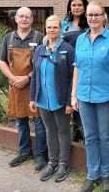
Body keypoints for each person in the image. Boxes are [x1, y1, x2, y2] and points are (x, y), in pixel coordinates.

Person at [71, 1, 109, 192]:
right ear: (86, 17)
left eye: (97, 14)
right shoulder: (81, 40)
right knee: (90, 137)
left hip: (105, 98)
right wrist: (73, 95)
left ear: (103, 16)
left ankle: (105, 175)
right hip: (84, 96)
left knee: (105, 137)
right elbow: (77, 67)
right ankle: (91, 174)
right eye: (90, 15)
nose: (93, 18)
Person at [0, 7, 47, 171]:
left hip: (35, 86)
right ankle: (24, 152)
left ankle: (40, 155)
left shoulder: (40, 38)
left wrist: (27, 78)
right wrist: (13, 79)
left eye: (28, 17)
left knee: (39, 122)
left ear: (32, 20)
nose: (24, 19)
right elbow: (2, 62)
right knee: (21, 121)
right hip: (16, 86)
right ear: (16, 19)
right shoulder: (8, 38)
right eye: (21, 16)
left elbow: (42, 63)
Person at [29, 15, 75, 182]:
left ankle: (63, 164)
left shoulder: (67, 49)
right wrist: (33, 98)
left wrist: (70, 101)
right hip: (42, 99)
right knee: (50, 131)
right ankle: (52, 162)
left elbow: (73, 77)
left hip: (61, 100)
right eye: (49, 27)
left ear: (60, 29)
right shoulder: (40, 50)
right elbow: (35, 75)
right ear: (45, 29)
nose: (51, 30)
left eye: (55, 27)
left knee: (63, 131)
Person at [62, 0, 89, 142]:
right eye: (74, 5)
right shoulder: (64, 24)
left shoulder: (89, 24)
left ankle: (82, 129)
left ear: (85, 7)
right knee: (69, 96)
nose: (77, 8)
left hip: (83, 66)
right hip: (67, 65)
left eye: (79, 5)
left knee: (81, 96)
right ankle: (75, 129)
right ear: (69, 7)